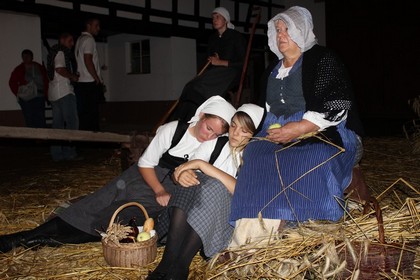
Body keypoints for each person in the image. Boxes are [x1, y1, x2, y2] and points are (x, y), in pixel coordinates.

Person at [0, 96, 236, 254]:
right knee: (89, 207)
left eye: (216, 134)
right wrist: (159, 190)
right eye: (208, 128)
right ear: (201, 115)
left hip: (169, 192)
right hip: (146, 179)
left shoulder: (215, 146)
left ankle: (46, 241)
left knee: (114, 221)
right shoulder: (172, 130)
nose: (209, 136)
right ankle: (23, 237)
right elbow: (145, 164)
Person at [229, 7, 365, 233]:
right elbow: (264, 111)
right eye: (278, 30)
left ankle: (310, 223)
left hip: (324, 130)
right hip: (277, 130)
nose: (281, 35)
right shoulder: (271, 70)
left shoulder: (323, 58)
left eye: (287, 30)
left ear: (301, 30)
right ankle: (259, 226)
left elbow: (338, 104)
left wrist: (301, 127)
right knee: (255, 154)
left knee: (314, 157)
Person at [148, 104, 264, 280]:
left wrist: (203, 166)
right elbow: (184, 170)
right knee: (192, 182)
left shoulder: (255, 157)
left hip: (225, 220)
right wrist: (182, 174)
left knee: (212, 186)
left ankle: (181, 265)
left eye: (244, 131)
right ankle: (168, 261)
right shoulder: (215, 144)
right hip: (191, 211)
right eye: (233, 126)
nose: (235, 133)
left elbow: (241, 192)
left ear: (254, 135)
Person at [170, 7, 246, 122]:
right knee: (191, 86)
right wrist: (212, 62)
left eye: (217, 17)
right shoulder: (213, 38)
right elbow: (210, 61)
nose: (214, 20)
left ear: (225, 20)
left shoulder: (236, 36)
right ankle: (180, 120)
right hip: (215, 73)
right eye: (213, 18)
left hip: (231, 73)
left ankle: (195, 116)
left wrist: (220, 62)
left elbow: (243, 62)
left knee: (201, 87)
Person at [47, 32, 80, 161]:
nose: (72, 44)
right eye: (70, 41)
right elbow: (60, 69)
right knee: (72, 124)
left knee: (57, 125)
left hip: (54, 93)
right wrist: (73, 77)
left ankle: (57, 154)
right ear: (62, 40)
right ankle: (69, 153)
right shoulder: (61, 52)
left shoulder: (53, 52)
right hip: (64, 92)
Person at [74, 18, 102, 131]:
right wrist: (97, 78)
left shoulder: (80, 39)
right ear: (88, 25)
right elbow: (88, 60)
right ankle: (94, 141)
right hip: (89, 82)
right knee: (92, 114)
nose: (98, 28)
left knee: (84, 114)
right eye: (96, 25)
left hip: (81, 82)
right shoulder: (89, 40)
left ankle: (84, 141)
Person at [8, 49, 49, 128]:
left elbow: (46, 81)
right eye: (24, 56)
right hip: (26, 98)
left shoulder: (39, 67)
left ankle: (42, 138)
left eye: (28, 56)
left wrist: (47, 94)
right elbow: (12, 82)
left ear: (32, 57)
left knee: (40, 118)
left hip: (40, 96)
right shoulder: (19, 69)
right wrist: (19, 93)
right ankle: (31, 138)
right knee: (29, 119)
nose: (26, 58)